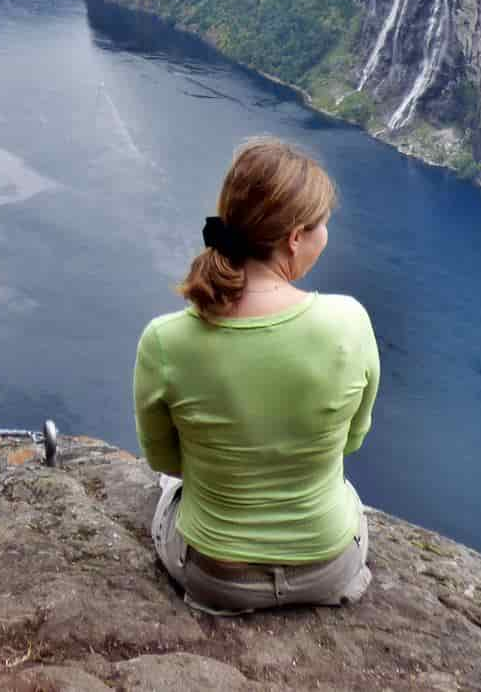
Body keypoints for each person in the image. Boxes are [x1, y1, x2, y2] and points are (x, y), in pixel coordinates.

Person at [133, 136, 380, 615]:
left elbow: (166, 460)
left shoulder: (166, 341)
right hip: (330, 564)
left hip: (216, 578)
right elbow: (351, 442)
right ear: (294, 237)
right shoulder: (350, 322)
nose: (325, 236)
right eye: (322, 225)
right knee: (342, 490)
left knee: (171, 495)